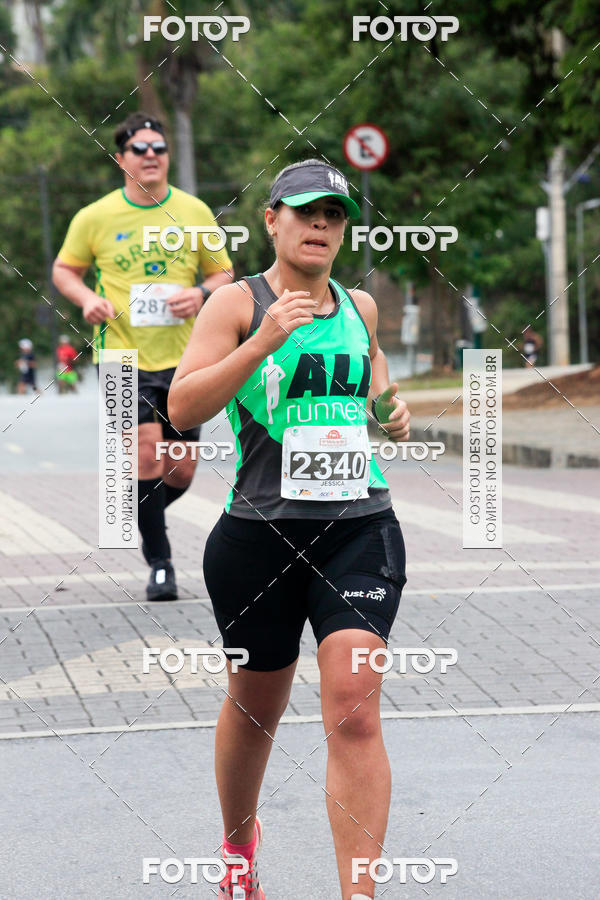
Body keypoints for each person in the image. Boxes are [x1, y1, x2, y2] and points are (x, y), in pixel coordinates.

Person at [169, 159, 411, 900]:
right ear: (271, 220)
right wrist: (262, 341)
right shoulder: (236, 304)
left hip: (357, 529)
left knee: (353, 709)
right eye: (304, 212)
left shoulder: (359, 306)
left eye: (333, 215)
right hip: (257, 539)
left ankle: (359, 894)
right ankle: (239, 848)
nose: (319, 226)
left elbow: (373, 388)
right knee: (254, 704)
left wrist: (392, 414)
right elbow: (181, 410)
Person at [52, 111, 234, 601]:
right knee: (148, 456)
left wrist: (199, 293)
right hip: (121, 358)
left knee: (180, 470)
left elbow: (224, 275)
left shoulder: (195, 212)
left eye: (159, 147)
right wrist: (86, 299)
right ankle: (161, 565)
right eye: (140, 149)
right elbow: (64, 270)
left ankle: (135, 507)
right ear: (121, 159)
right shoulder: (95, 217)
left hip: (185, 358)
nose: (151, 155)